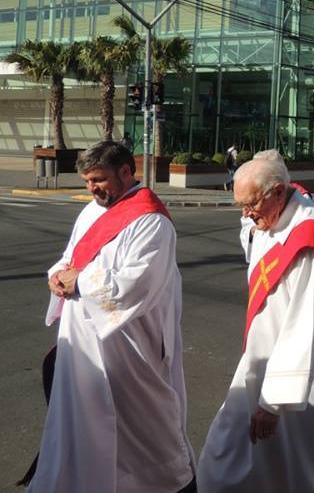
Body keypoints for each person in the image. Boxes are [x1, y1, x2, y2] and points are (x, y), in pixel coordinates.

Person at [30, 141, 195, 492]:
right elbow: (70, 255)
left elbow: (136, 285)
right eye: (88, 181)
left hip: (129, 345)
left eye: (99, 179)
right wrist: (58, 274)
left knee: (140, 426)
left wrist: (81, 282)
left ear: (125, 171)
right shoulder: (91, 211)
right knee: (83, 425)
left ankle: (163, 483)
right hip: (83, 341)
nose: (93, 188)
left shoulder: (152, 223)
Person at [198, 150, 314, 492]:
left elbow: (305, 321)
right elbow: (254, 244)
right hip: (258, 365)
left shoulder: (313, 231)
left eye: (251, 205)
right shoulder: (269, 218)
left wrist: (275, 400)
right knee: (221, 462)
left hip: (299, 381)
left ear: (279, 191)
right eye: (241, 206)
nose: (247, 215)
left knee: (297, 475)